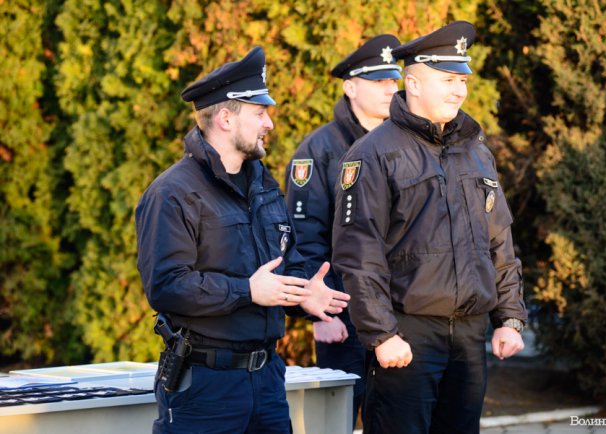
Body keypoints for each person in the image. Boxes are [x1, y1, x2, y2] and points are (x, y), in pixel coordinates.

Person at [135, 46, 350, 434]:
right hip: (205, 387)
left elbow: (285, 263)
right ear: (225, 118)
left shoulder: (263, 185)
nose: (270, 123)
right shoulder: (173, 193)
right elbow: (166, 286)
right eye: (259, 113)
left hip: (267, 380)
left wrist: (304, 295)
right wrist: (247, 291)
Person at [331, 21, 527, 434]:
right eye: (448, 80)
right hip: (407, 336)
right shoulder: (373, 153)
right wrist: (381, 334)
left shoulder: (476, 151)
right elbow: (359, 254)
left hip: (469, 337)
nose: (459, 91)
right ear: (414, 83)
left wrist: (509, 317)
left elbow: (499, 239)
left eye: (463, 81)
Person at [284, 34, 401, 428]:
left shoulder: (404, 143)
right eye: (378, 81)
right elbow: (304, 238)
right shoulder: (318, 150)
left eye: (393, 80)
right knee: (338, 420)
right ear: (350, 88)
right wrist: (321, 314)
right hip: (343, 314)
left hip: (399, 313)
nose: (390, 89)